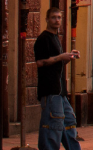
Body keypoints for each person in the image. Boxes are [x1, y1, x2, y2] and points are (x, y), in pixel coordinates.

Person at [34, 8, 81, 150]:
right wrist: (60, 57)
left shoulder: (56, 38)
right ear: (47, 19)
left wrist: (68, 57)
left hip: (60, 92)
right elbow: (41, 62)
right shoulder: (44, 39)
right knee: (52, 126)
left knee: (69, 123)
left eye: (59, 17)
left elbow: (56, 64)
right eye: (54, 17)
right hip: (50, 91)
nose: (57, 20)